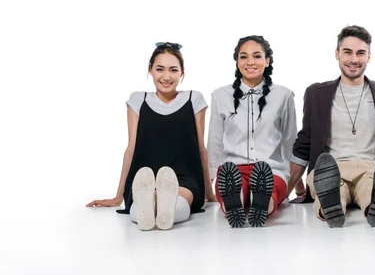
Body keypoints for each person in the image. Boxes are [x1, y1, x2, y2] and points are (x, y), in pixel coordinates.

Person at [286, 25, 375, 228]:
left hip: (373, 168)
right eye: (347, 52)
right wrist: (282, 193)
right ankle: (333, 206)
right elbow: (303, 145)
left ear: (369, 56)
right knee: (330, 189)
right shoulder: (316, 94)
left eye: (361, 53)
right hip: (329, 169)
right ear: (337, 54)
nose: (354, 60)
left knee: (372, 188)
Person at [86, 42, 215, 230]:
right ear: (150, 70)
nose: (166, 77)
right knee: (146, 198)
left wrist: (209, 193)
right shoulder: (139, 100)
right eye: (160, 69)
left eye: (173, 70)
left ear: (182, 73)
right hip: (143, 178)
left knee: (179, 199)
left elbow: (201, 148)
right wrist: (118, 196)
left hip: (184, 177)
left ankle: (158, 211)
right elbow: (131, 148)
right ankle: (152, 208)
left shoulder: (193, 99)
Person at [208, 36, 298, 228]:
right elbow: (214, 142)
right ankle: (235, 202)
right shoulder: (220, 96)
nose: (250, 62)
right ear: (237, 62)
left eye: (257, 56)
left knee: (270, 189)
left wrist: (298, 184)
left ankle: (262, 204)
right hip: (231, 169)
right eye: (244, 57)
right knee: (233, 188)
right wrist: (210, 182)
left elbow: (290, 141)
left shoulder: (284, 95)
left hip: (270, 169)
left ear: (267, 61)